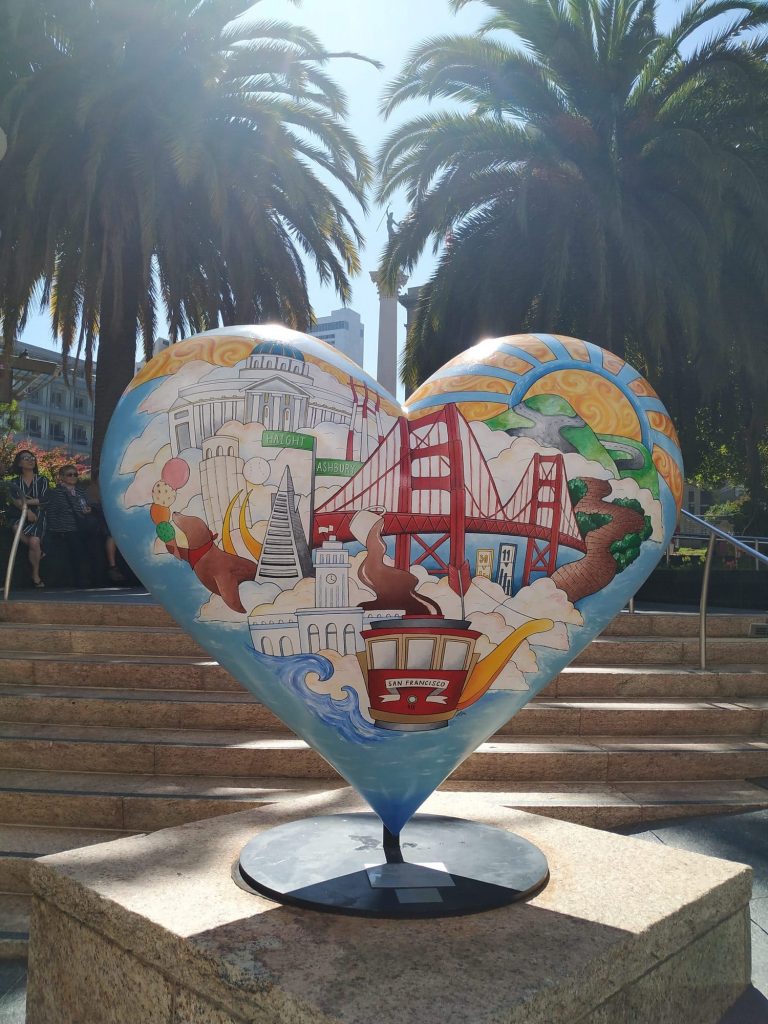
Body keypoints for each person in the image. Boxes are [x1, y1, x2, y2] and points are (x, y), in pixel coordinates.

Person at [47, 464, 99, 587]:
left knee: (93, 548)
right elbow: (52, 512)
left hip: (82, 526)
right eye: (69, 474)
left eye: (75, 474)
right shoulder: (56, 492)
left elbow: (86, 506)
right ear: (61, 477)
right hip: (66, 528)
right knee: (77, 551)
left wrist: (88, 510)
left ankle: (93, 578)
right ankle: (80, 580)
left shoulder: (81, 491)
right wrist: (56, 529)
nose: (73, 477)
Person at [7, 449, 48, 588]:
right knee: (16, 526)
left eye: (32, 458)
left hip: (39, 514)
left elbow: (44, 500)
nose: (30, 460)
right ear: (19, 463)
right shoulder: (14, 482)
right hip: (20, 514)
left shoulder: (42, 480)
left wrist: (25, 501)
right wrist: (28, 508)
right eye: (26, 458)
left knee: (34, 541)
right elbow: (15, 501)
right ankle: (40, 553)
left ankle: (35, 575)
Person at [84, 472, 125, 583]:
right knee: (112, 535)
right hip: (101, 522)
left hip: (116, 520)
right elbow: (94, 508)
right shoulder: (92, 490)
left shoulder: (113, 489)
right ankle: (112, 565)